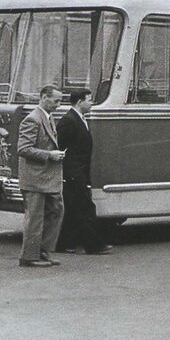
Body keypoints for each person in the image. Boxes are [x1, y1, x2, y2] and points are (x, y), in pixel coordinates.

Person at [55, 88, 113, 256]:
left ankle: (64, 244)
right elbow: (61, 146)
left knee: (73, 210)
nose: (91, 103)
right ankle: (93, 245)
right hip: (74, 172)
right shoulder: (69, 121)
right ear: (79, 102)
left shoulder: (78, 119)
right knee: (86, 208)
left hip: (77, 171)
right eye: (88, 100)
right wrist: (70, 171)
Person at [16, 84, 65, 268]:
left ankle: (43, 250)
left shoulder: (48, 117)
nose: (58, 104)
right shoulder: (33, 119)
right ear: (44, 97)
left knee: (56, 211)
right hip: (35, 179)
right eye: (56, 100)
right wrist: (49, 155)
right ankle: (29, 256)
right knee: (35, 218)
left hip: (47, 177)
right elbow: (23, 149)